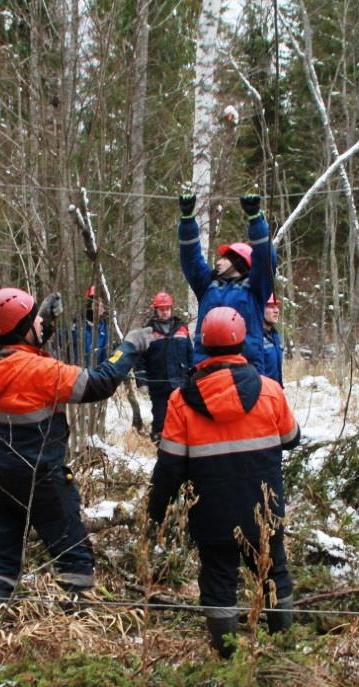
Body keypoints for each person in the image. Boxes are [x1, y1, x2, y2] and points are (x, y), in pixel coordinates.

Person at [0, 287, 152, 604]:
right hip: (43, 480)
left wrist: (45, 323)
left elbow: (19, 352)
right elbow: (99, 383)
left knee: (3, 559)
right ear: (22, 327)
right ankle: (76, 637)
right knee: (74, 558)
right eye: (33, 318)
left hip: (1, 478)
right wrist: (129, 348)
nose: (38, 322)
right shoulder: (39, 371)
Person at [148, 307, 301, 657]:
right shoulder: (270, 390)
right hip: (264, 510)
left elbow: (169, 467)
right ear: (243, 340)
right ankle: (284, 649)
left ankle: (225, 657)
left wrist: (155, 512)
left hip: (212, 515)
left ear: (203, 343)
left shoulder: (180, 400)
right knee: (274, 573)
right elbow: (292, 438)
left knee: (219, 581)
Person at [177, 189, 277, 380]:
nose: (218, 262)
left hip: (246, 372)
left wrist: (256, 221)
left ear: (239, 262)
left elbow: (265, 259)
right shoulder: (207, 285)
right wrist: (187, 220)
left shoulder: (255, 290)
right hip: (205, 371)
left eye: (225, 258)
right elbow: (191, 257)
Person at [136, 291, 193, 444]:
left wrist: (194, 376)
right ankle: (160, 448)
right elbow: (140, 359)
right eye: (161, 309)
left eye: (167, 308)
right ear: (156, 310)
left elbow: (190, 354)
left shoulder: (182, 328)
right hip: (158, 383)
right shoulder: (148, 332)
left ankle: (182, 446)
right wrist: (142, 382)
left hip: (180, 382)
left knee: (182, 417)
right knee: (160, 419)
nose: (165, 311)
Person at [62, 285, 110, 368]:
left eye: (102, 305)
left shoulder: (105, 329)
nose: (99, 308)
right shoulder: (76, 327)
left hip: (98, 376)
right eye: (96, 305)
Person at [260, 293, 284, 387]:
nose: (276, 311)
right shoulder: (254, 339)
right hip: (262, 395)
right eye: (271, 307)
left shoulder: (276, 336)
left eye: (277, 307)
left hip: (275, 393)